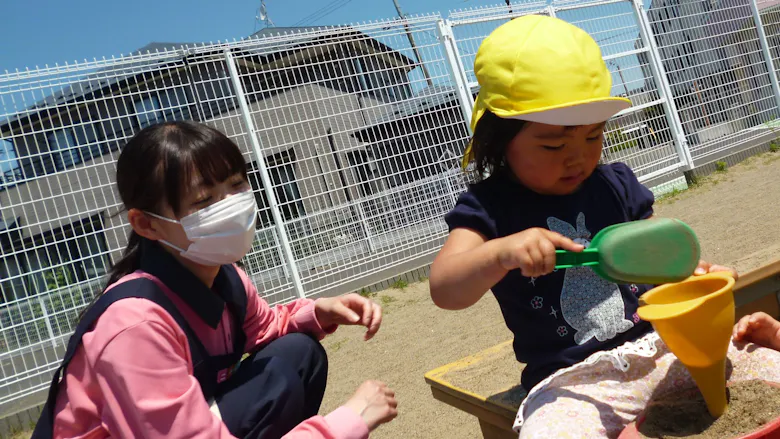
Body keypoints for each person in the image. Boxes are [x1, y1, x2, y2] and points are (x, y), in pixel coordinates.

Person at [429, 14, 780, 438]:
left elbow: (660, 259)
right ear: (501, 138)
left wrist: (698, 276)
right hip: (577, 382)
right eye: (554, 143)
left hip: (665, 349)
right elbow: (445, 289)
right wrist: (499, 253)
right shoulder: (489, 208)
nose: (577, 157)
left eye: (593, 136)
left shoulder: (615, 185)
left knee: (765, 367)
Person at [33, 121, 397, 439]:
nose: (231, 204)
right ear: (147, 224)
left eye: (237, 184)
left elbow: (268, 328)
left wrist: (319, 312)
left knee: (298, 354)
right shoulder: (133, 326)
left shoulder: (225, 279)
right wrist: (347, 422)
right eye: (204, 200)